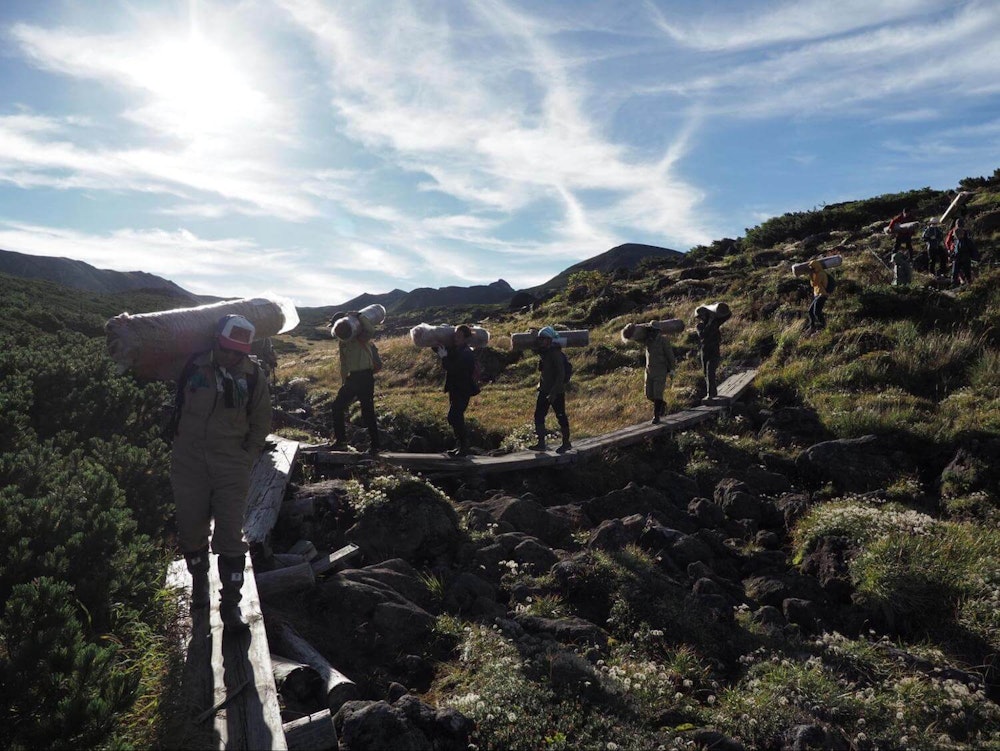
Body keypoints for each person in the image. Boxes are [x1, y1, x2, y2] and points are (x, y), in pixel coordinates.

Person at [171, 314, 272, 631]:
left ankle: (231, 605)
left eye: (237, 352)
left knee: (230, 533)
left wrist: (247, 457)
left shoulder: (253, 376)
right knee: (190, 527)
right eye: (226, 349)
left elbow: (261, 421)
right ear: (217, 341)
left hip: (231, 463)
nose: (230, 356)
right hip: (188, 461)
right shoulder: (192, 365)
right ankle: (199, 582)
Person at [331, 312, 380, 454]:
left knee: (367, 411)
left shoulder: (361, 337)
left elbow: (371, 330)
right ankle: (341, 442)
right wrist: (344, 381)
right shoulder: (342, 342)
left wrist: (359, 317)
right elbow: (344, 363)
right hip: (353, 379)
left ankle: (375, 446)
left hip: (365, 377)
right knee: (338, 406)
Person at [436, 325, 479, 457]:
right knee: (455, 417)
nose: (455, 338)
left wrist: (444, 357)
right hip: (456, 389)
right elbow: (445, 353)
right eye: (455, 335)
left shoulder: (466, 354)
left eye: (459, 336)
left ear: (466, 339)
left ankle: (464, 446)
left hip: (462, 390)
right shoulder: (459, 350)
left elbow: (453, 369)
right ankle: (461, 446)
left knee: (454, 417)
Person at [528, 326, 571, 453]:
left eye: (543, 339)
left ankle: (566, 443)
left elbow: (561, 375)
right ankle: (541, 443)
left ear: (550, 340)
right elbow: (535, 348)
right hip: (544, 390)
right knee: (539, 415)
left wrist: (553, 393)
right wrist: (534, 334)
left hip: (556, 392)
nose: (541, 341)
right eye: (540, 339)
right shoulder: (545, 352)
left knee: (561, 416)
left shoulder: (555, 354)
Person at [642, 324, 676, 424]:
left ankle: (656, 416)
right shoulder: (648, 340)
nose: (652, 332)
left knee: (657, 393)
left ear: (658, 331)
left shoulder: (663, 341)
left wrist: (672, 369)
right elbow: (637, 338)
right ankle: (662, 404)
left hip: (660, 370)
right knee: (648, 394)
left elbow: (670, 355)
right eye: (650, 330)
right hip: (649, 371)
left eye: (653, 330)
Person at [695, 308, 723, 399]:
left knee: (710, 371)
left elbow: (727, 315)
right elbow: (703, 335)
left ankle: (710, 394)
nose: (702, 318)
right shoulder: (699, 326)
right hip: (705, 352)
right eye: (700, 317)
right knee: (705, 373)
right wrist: (710, 323)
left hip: (714, 352)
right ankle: (713, 392)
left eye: (703, 316)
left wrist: (713, 318)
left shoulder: (715, 324)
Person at [805, 259, 831, 332]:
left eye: (812, 268)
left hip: (822, 294)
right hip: (817, 294)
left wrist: (810, 276)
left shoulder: (821, 274)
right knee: (810, 311)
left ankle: (824, 326)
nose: (811, 269)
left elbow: (814, 283)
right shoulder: (816, 274)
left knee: (817, 312)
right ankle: (812, 326)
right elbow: (812, 285)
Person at [951, 222, 977, 287]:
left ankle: (968, 283)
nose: (955, 236)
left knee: (966, 271)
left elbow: (972, 249)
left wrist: (975, 258)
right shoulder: (957, 241)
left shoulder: (966, 241)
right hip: (959, 259)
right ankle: (955, 283)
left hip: (965, 258)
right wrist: (953, 255)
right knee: (956, 271)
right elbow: (956, 250)